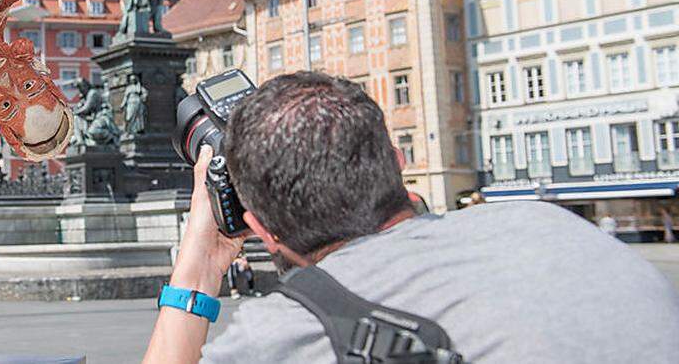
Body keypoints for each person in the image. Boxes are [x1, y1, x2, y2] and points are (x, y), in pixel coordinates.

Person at [143, 72, 679, 363]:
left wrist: (199, 264)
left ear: (257, 226)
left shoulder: (289, 333)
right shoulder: (554, 227)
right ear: (398, 163)